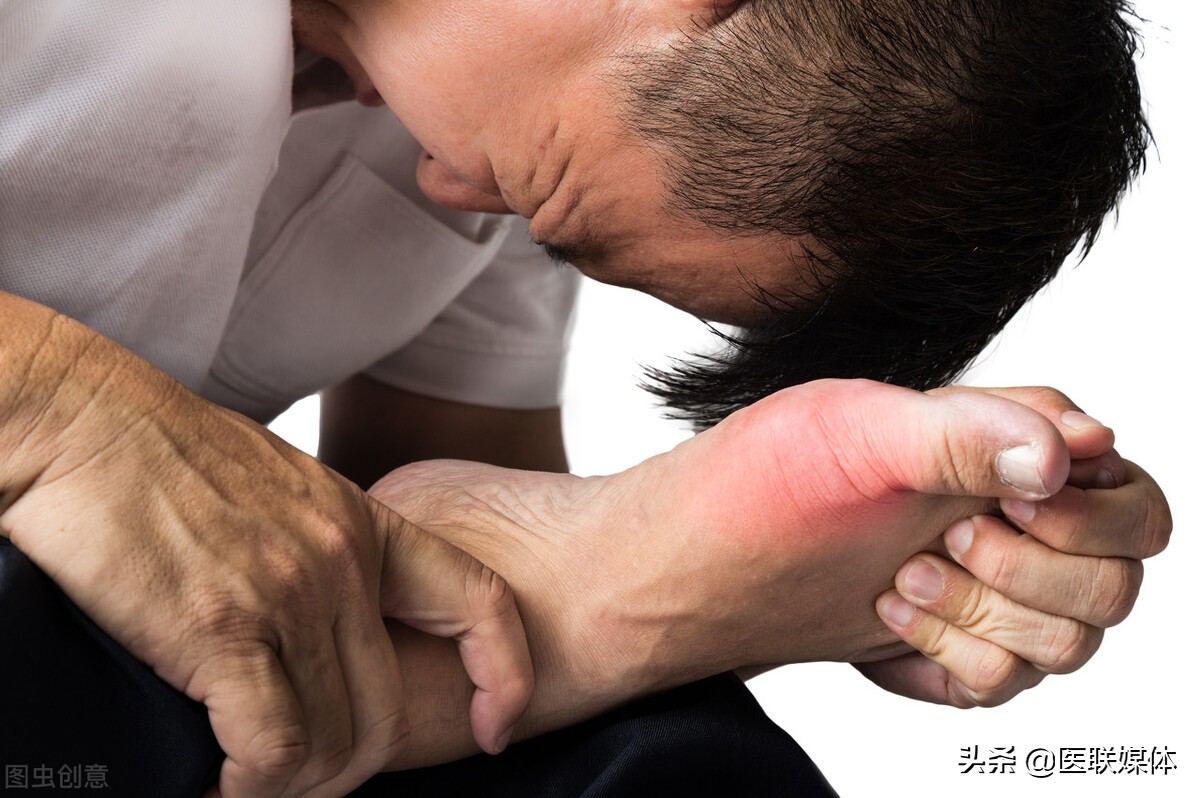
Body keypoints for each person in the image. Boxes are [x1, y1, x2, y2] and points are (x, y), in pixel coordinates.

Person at [0, 0, 1168, 795]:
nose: (448, 185)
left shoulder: (457, 128)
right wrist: (60, 404)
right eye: (545, 200)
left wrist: (847, 576)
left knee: (645, 752)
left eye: (542, 226)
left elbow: (435, 544)